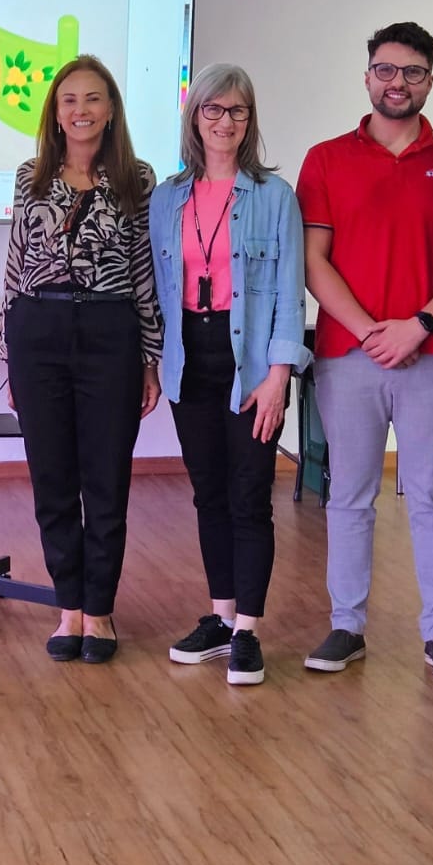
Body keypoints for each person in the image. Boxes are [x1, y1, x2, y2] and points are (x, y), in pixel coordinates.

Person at [296, 23, 433, 682]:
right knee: (349, 495)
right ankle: (346, 626)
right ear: (367, 77)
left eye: (412, 72)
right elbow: (314, 260)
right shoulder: (326, 159)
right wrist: (369, 331)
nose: (397, 82)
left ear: (430, 81)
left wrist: (418, 325)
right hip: (347, 354)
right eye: (385, 69)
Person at [0, 54, 162, 664]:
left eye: (92, 98)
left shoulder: (137, 179)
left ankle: (100, 611)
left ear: (111, 109)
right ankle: (69, 608)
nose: (81, 110)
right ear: (55, 112)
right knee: (53, 479)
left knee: (106, 479)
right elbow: (15, 263)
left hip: (109, 331)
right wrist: (8, 352)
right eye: (69, 100)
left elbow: (144, 269)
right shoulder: (31, 176)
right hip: (37, 330)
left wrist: (149, 357)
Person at [151, 63, 311, 685]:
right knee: (208, 493)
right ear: (195, 118)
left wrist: (279, 376)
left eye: (237, 111)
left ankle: (247, 630)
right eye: (213, 109)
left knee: (249, 495)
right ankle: (219, 618)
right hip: (188, 358)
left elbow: (289, 294)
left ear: (250, 121)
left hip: (253, 363)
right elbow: (156, 289)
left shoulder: (274, 196)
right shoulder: (167, 197)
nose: (225, 121)